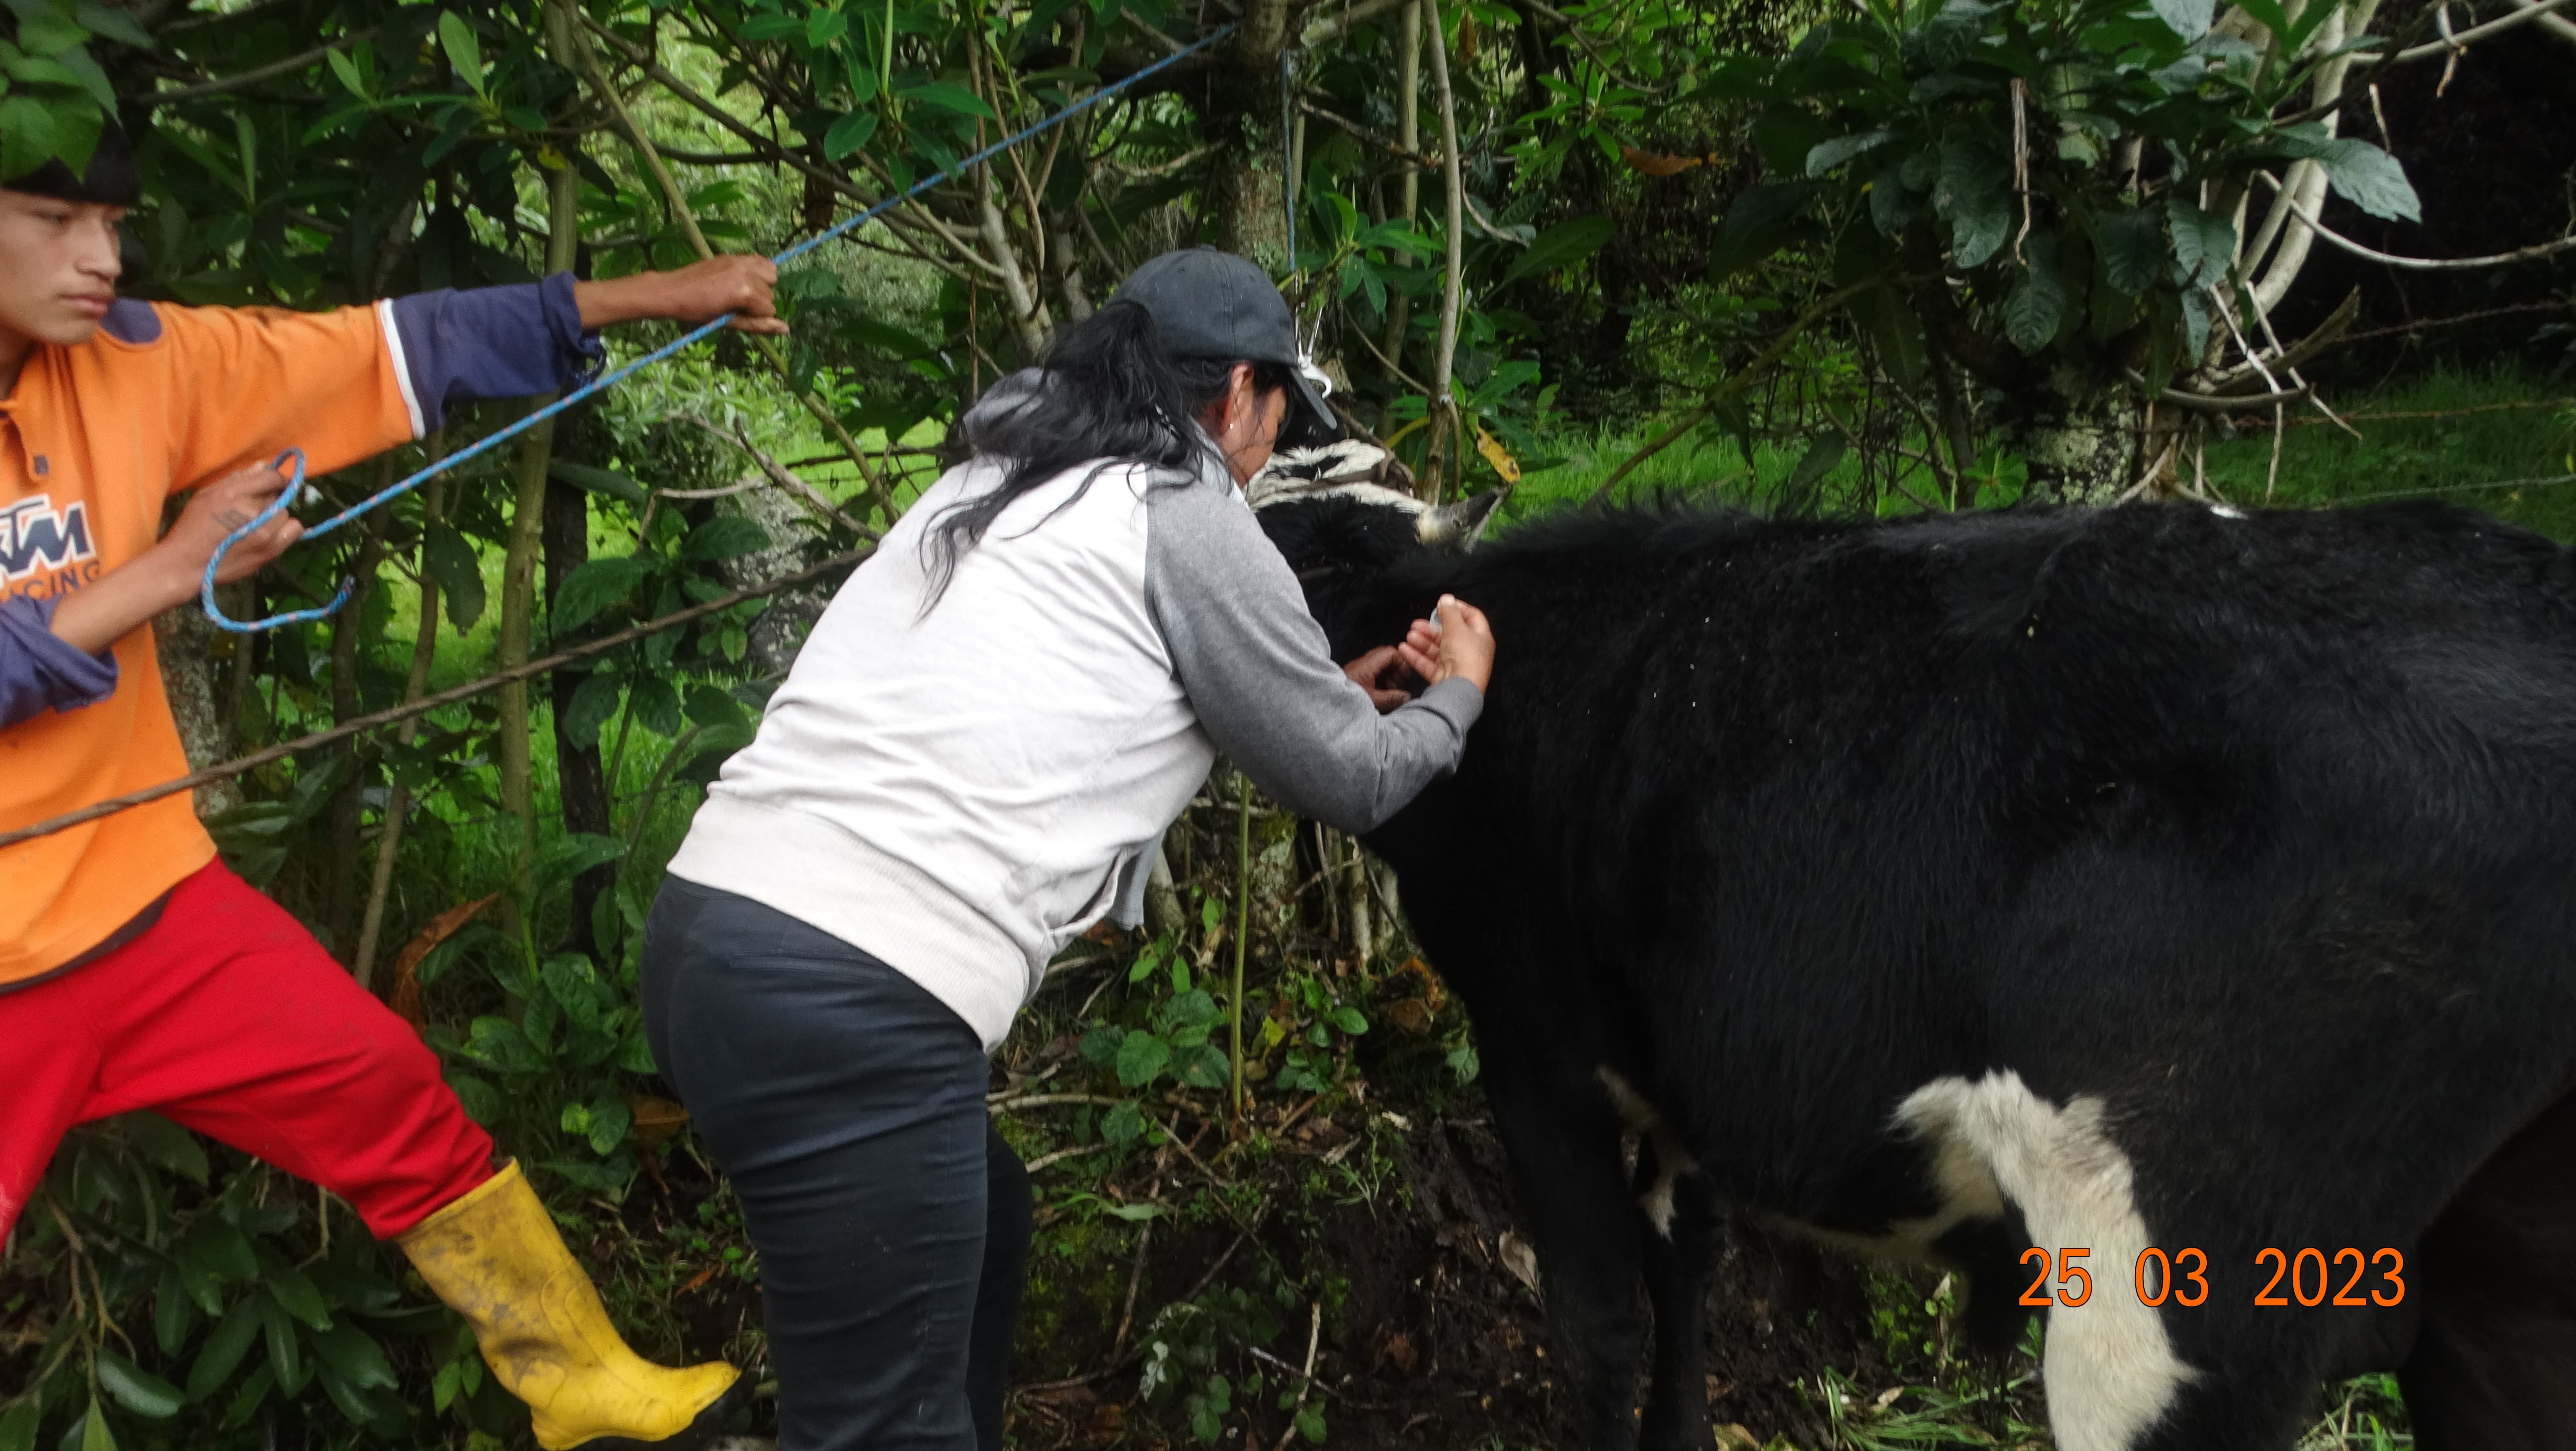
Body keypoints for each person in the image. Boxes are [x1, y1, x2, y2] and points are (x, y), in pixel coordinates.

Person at [0, 127, 784, 1450]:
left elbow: (393, 350)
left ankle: (576, 1379)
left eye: (115, 226)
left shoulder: (134, 356)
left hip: (147, 906)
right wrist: (170, 568)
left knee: (382, 1086)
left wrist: (661, 294)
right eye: (52, 219)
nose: (102, 259)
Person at [639, 245, 1498, 1450]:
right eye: (1278, 418)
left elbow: (1078, 709)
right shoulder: (1188, 510)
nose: (1269, 452)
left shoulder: (998, 477)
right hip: (851, 1000)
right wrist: (1460, 694)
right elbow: (1355, 779)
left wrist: (1333, 696)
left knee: (987, 1218)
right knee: (880, 1425)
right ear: (1238, 392)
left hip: (710, 937)